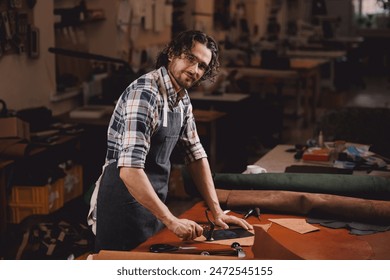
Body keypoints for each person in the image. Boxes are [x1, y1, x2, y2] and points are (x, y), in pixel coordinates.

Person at [87, 30, 252, 252]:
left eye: (202, 66)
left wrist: (217, 211)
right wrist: (171, 220)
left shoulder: (181, 99)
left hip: (154, 206)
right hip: (123, 207)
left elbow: (195, 154)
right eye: (190, 59)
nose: (195, 70)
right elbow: (129, 170)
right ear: (172, 53)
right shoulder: (145, 94)